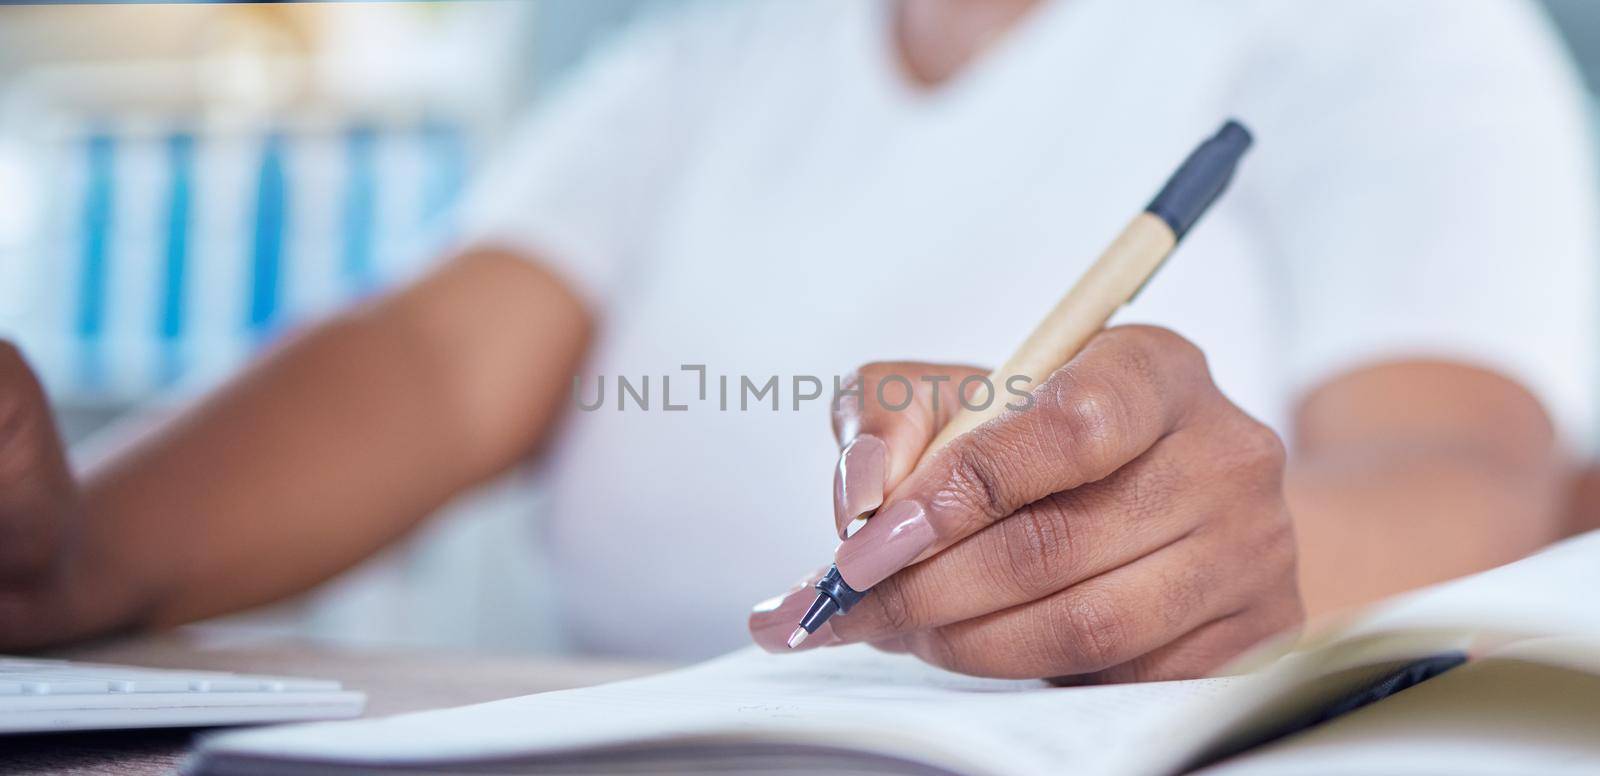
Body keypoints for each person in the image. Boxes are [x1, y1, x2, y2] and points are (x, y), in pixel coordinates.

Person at [0, 0, 1593, 682]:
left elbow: (1470, 478)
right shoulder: (701, 64)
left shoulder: (1392, 35)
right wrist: (65, 545)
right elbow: (428, 362)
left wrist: (1244, 554)